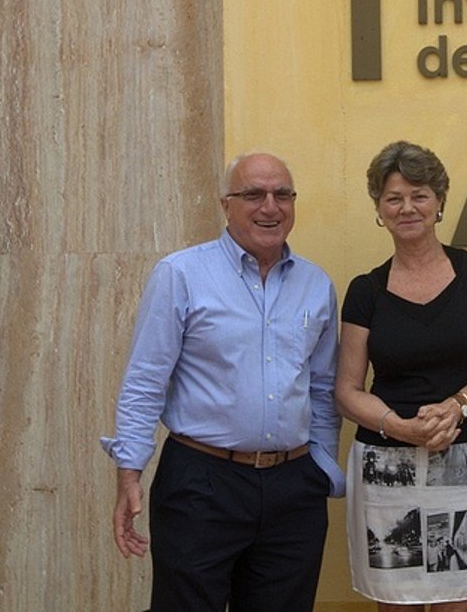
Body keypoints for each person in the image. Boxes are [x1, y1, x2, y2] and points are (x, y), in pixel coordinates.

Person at [101, 151, 344, 611]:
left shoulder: (316, 285)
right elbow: (146, 380)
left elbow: (322, 386)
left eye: (282, 194)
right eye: (253, 194)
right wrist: (129, 471)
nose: (270, 207)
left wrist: (321, 467)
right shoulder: (181, 274)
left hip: (293, 489)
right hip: (202, 483)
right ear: (225, 205)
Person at [336, 141, 467, 612]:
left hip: (464, 457)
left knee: (457, 602)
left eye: (419, 195)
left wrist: (456, 407)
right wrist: (400, 427)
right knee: (397, 602)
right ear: (379, 209)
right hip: (385, 466)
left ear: (439, 202)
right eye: (393, 198)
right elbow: (347, 390)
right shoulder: (365, 290)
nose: (407, 208)